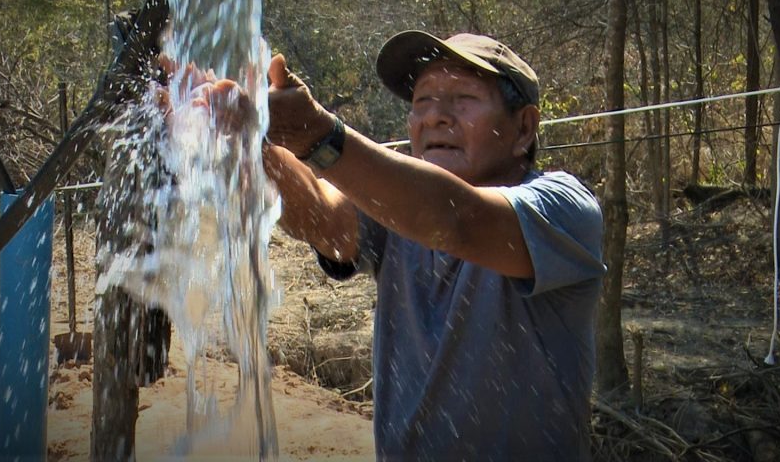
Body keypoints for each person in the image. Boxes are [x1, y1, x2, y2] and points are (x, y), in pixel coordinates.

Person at [193, 31, 605, 461]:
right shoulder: (394, 209)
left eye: (463, 97)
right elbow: (324, 219)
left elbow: (455, 219)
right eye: (423, 101)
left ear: (524, 127)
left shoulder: (564, 208)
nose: (435, 117)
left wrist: (318, 134)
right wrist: (246, 134)